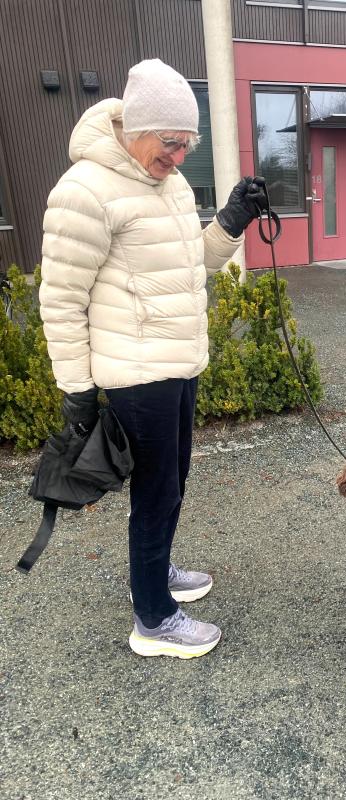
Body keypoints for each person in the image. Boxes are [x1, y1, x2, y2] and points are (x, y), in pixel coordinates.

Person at [39, 59, 267, 659]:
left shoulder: (167, 185)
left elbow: (193, 262)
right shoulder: (83, 191)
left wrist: (233, 220)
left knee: (172, 482)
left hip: (177, 365)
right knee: (157, 490)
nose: (179, 157)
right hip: (136, 373)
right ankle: (153, 620)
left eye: (187, 145)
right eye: (171, 143)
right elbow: (61, 300)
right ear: (137, 127)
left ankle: (155, 573)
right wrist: (77, 387)